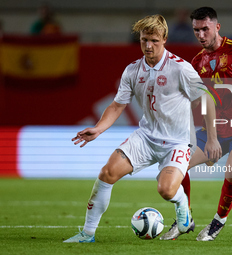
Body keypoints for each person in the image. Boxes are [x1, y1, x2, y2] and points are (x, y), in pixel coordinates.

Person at [63, 14, 220, 243]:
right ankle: (87, 234)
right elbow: (117, 105)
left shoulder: (180, 68)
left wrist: (213, 139)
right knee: (107, 173)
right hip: (146, 137)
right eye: (144, 40)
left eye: (154, 40)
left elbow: (207, 100)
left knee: (166, 190)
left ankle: (183, 207)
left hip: (177, 142)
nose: (148, 45)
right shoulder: (133, 70)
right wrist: (98, 129)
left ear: (164, 39)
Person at [160, 6, 232, 241]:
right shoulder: (197, 61)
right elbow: (199, 101)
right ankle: (184, 218)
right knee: (177, 166)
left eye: (205, 29)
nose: (200, 35)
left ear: (217, 27)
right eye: (196, 30)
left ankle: (218, 221)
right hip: (214, 129)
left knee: (231, 172)